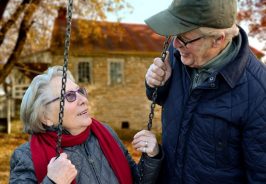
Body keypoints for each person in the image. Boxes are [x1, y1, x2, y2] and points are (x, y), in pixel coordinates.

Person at [144, 0, 266, 183]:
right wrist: (156, 84)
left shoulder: (259, 93)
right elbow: (163, 99)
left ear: (218, 39)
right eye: (175, 36)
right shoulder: (178, 56)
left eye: (184, 39)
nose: (175, 45)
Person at [9, 66, 164, 184]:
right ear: (45, 117)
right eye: (69, 96)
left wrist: (151, 157)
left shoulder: (105, 134)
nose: (83, 99)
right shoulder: (26, 156)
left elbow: (136, 180)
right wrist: (52, 181)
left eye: (79, 91)